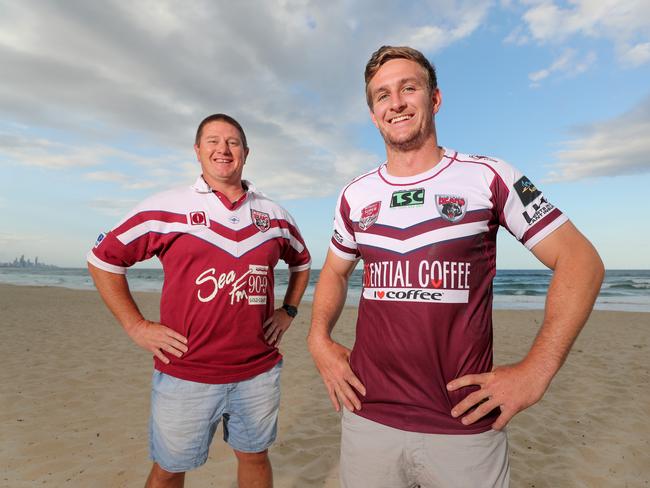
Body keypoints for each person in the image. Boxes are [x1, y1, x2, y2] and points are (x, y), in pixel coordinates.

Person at [307, 46, 604, 487]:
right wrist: (318, 340)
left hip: (464, 424)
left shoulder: (488, 176)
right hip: (369, 417)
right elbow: (333, 271)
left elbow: (581, 261)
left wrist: (535, 372)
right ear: (373, 115)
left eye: (409, 88)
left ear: (435, 99)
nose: (397, 102)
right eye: (382, 95)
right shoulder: (355, 194)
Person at [88, 113, 311, 488]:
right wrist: (136, 325)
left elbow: (302, 262)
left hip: (258, 371)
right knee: (170, 468)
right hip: (185, 372)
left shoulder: (274, 215)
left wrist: (288, 310)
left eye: (233, 142)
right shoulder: (166, 207)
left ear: (246, 152)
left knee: (256, 457)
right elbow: (103, 259)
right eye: (213, 141)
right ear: (197, 150)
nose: (223, 149)